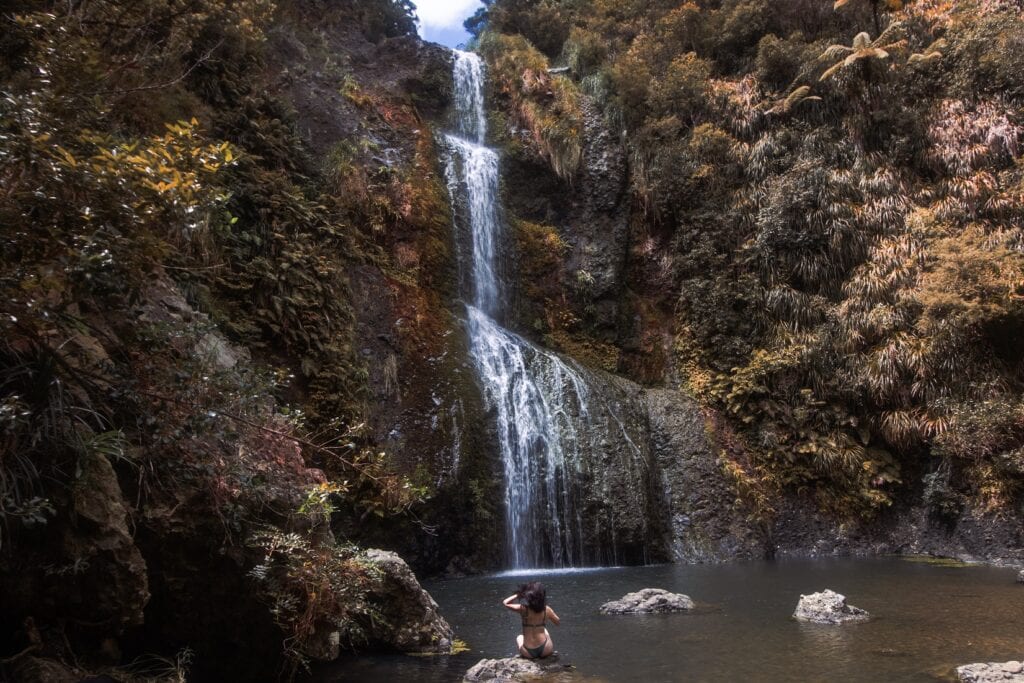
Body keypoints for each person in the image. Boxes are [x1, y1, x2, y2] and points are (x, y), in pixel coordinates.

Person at [502, 581, 560, 659]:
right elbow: (557, 622)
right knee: (545, 631)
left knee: (519, 637)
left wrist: (519, 595)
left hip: (528, 652)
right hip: (545, 649)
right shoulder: (547, 609)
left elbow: (506, 603)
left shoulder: (522, 609)